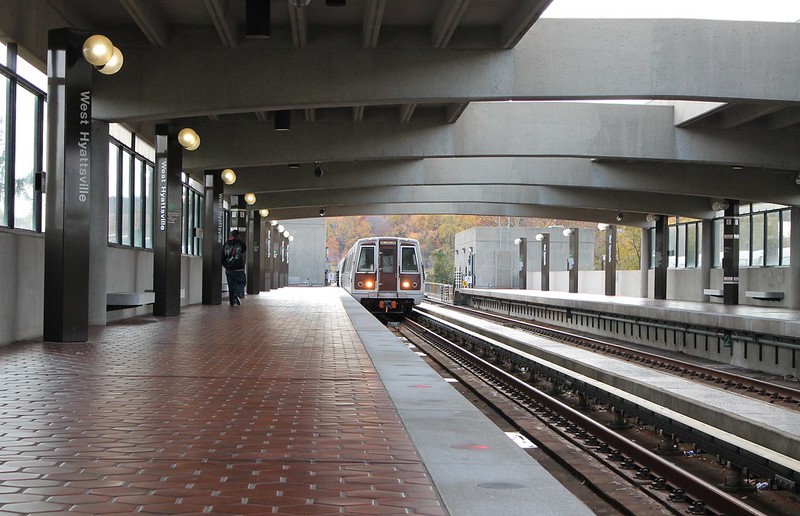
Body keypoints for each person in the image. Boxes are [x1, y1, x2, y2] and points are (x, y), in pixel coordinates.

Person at [222, 229, 247, 306]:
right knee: (242, 282)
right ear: (238, 236)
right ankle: (237, 294)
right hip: (239, 268)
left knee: (231, 285)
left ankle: (232, 301)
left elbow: (222, 256)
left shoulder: (226, 244)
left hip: (229, 268)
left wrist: (225, 265)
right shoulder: (240, 244)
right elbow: (244, 249)